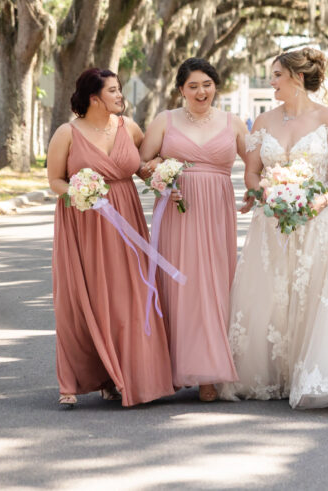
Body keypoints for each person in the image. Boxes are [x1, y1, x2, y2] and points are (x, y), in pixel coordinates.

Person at [219, 49, 328, 410]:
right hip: (274, 219)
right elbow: (252, 171)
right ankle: (273, 373)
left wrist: (323, 200)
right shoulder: (262, 122)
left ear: (296, 77)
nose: (271, 82)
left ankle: (313, 374)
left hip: (320, 219)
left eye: (276, 75)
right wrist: (263, 193)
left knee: (313, 291)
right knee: (274, 292)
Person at [47, 68, 173, 408]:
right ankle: (75, 381)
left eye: (119, 90)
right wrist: (80, 194)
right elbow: (55, 180)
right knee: (85, 298)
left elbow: (142, 166)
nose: (120, 96)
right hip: (85, 223)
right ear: (94, 98)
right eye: (113, 91)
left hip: (126, 218)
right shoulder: (67, 133)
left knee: (128, 297)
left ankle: (126, 377)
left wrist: (159, 172)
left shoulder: (128, 127)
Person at [140, 58, 248, 402]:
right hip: (177, 210)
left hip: (217, 211)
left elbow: (255, 164)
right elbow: (141, 165)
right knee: (179, 287)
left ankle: (209, 376)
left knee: (214, 286)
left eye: (207, 84)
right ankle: (174, 370)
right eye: (193, 86)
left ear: (216, 86)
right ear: (181, 90)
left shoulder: (233, 123)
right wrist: (158, 173)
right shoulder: (164, 121)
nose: (201, 92)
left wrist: (259, 189)